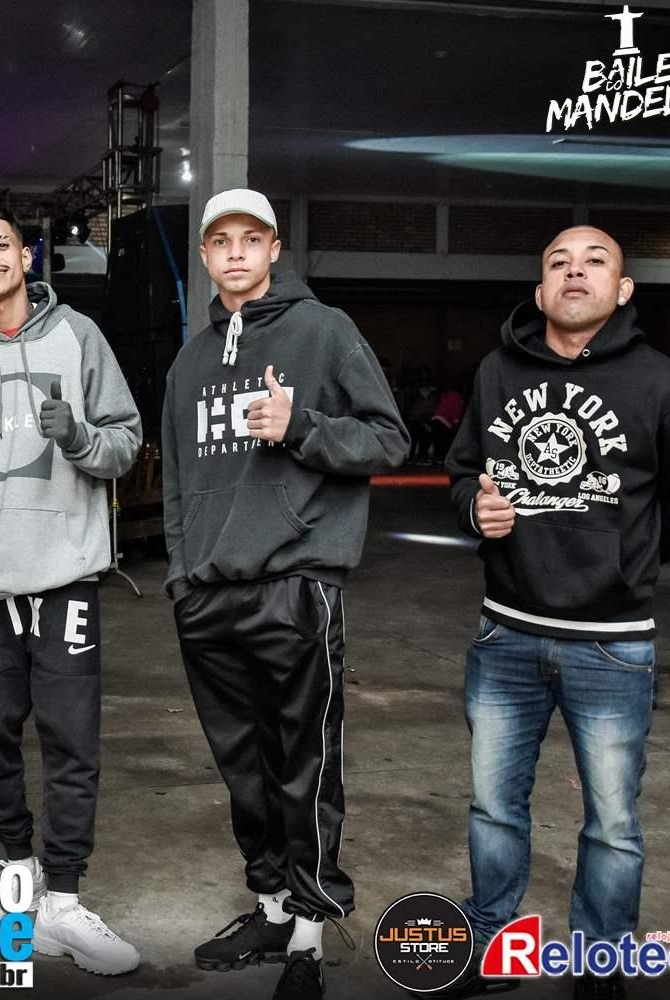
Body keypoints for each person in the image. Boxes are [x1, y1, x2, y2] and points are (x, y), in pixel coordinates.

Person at [439, 226, 670, 1000]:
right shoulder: (496, 372)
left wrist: (627, 560)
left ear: (623, 290)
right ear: (540, 289)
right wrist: (474, 511)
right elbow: (462, 472)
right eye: (559, 261)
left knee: (613, 823)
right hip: (506, 633)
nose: (575, 271)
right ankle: (490, 946)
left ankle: (600, 962)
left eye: (595, 261)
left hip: (612, 645)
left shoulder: (669, 387)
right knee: (494, 809)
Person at [163, 188, 407, 1000]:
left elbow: (388, 438)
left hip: (296, 583)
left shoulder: (323, 330)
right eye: (220, 241)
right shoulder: (190, 362)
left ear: (273, 249)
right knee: (244, 766)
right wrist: (182, 575)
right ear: (205, 256)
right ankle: (270, 905)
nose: (235, 252)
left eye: (251, 238)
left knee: (305, 764)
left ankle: (310, 928)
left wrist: (300, 425)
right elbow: (176, 482)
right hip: (209, 595)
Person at [0, 197, 144, 976]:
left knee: (72, 739)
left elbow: (125, 442)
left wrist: (78, 437)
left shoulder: (78, 337)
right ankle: (21, 877)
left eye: (1, 244)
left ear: (26, 256)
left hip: (64, 579)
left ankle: (66, 900)